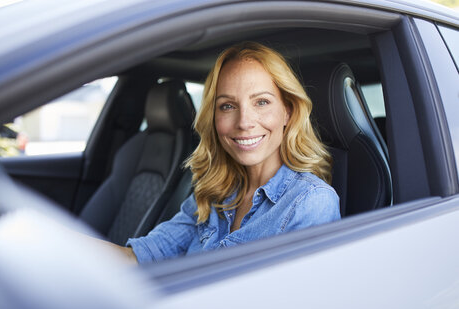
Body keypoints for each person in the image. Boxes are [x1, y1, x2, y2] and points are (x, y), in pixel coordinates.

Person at [116, 42, 341, 263]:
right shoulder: (213, 194)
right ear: (213, 117)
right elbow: (142, 256)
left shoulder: (311, 201)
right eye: (228, 106)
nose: (244, 122)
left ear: (287, 113)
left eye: (261, 102)